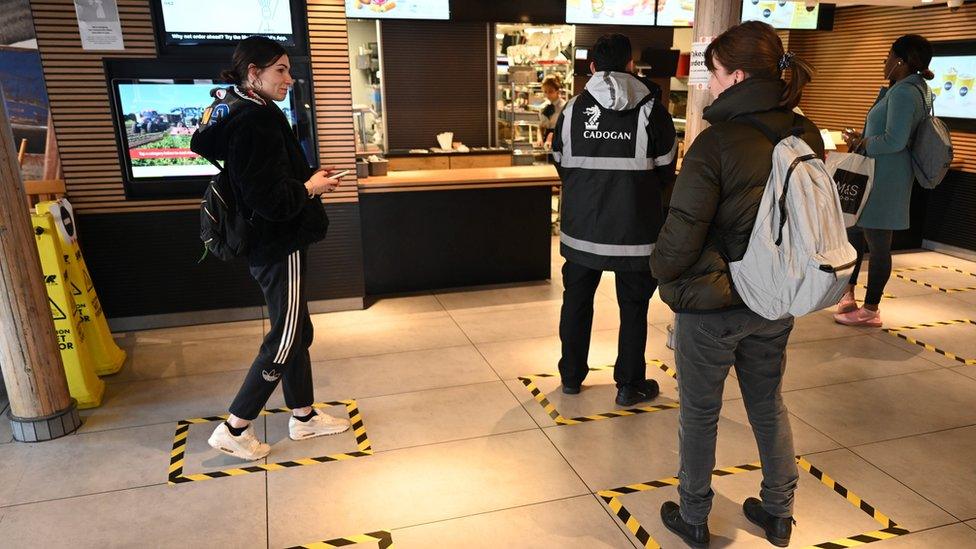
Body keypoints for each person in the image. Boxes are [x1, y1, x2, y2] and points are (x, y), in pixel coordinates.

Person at [649, 21, 821, 548]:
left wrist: (657, 268)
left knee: (700, 413)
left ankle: (695, 516)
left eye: (715, 72)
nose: (710, 82)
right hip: (775, 297)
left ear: (738, 75)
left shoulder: (714, 143)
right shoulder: (805, 133)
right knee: (768, 402)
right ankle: (778, 512)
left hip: (714, 303)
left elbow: (681, 237)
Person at [190, 36, 349, 461]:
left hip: (270, 241)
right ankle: (236, 427)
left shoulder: (249, 110)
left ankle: (303, 416)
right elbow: (269, 199)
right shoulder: (254, 120)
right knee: (288, 334)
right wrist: (310, 188)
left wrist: (310, 179)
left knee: (295, 329)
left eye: (289, 70)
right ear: (253, 73)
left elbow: (268, 181)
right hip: (279, 242)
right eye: (281, 70)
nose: (290, 79)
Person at [551, 33, 677, 407]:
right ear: (631, 66)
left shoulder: (572, 110)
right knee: (634, 307)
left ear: (591, 67)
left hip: (581, 231)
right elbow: (667, 169)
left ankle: (571, 377)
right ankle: (629, 384)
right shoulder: (653, 110)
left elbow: (560, 162)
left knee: (576, 300)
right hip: (635, 231)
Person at [834, 34, 934, 327]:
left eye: (888, 56)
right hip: (879, 174)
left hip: (886, 178)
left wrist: (863, 141)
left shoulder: (904, 93)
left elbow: (895, 140)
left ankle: (871, 308)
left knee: (878, 244)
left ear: (901, 61)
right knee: (855, 236)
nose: (884, 61)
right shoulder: (909, 89)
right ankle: (847, 294)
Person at [538, 74, 566, 148]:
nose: (547, 95)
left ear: (557, 90)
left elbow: (565, 128)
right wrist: (540, 138)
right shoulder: (543, 106)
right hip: (546, 140)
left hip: (559, 138)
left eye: (550, 91)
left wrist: (551, 137)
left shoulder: (564, 106)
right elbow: (541, 126)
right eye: (545, 92)